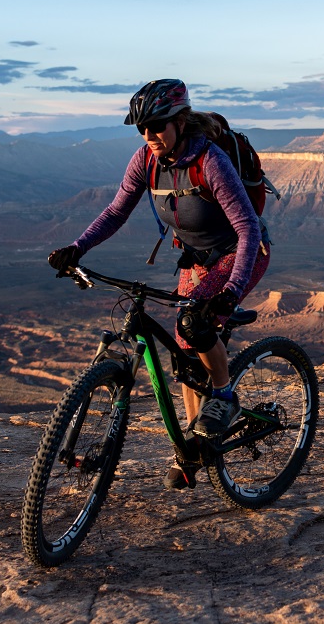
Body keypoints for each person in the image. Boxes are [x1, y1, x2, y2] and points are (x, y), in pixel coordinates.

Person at [47, 78, 270, 488]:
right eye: (142, 128)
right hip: (197, 260)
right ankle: (193, 445)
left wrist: (231, 291)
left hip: (241, 253)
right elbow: (116, 212)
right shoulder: (145, 160)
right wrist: (77, 249)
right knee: (184, 352)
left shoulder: (211, 161)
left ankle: (223, 398)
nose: (149, 136)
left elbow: (248, 228)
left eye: (157, 126)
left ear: (180, 122)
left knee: (194, 326)